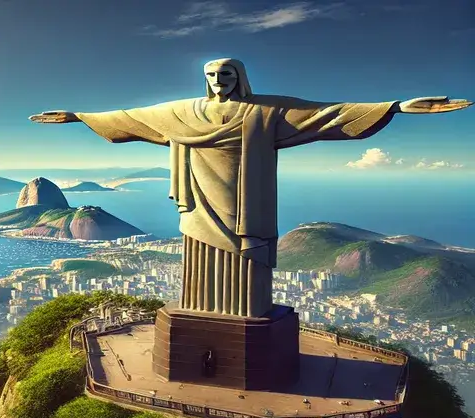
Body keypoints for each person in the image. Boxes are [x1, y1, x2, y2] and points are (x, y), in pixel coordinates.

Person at [30, 58, 471, 318]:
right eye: (212, 75)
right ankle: (204, 312)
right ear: (205, 79)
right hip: (198, 196)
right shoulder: (183, 112)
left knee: (246, 255)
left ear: (238, 76)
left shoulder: (266, 111)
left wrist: (396, 107)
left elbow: (329, 114)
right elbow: (130, 117)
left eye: (226, 74)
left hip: (246, 198)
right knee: (199, 256)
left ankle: (244, 314)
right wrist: (78, 116)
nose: (219, 81)